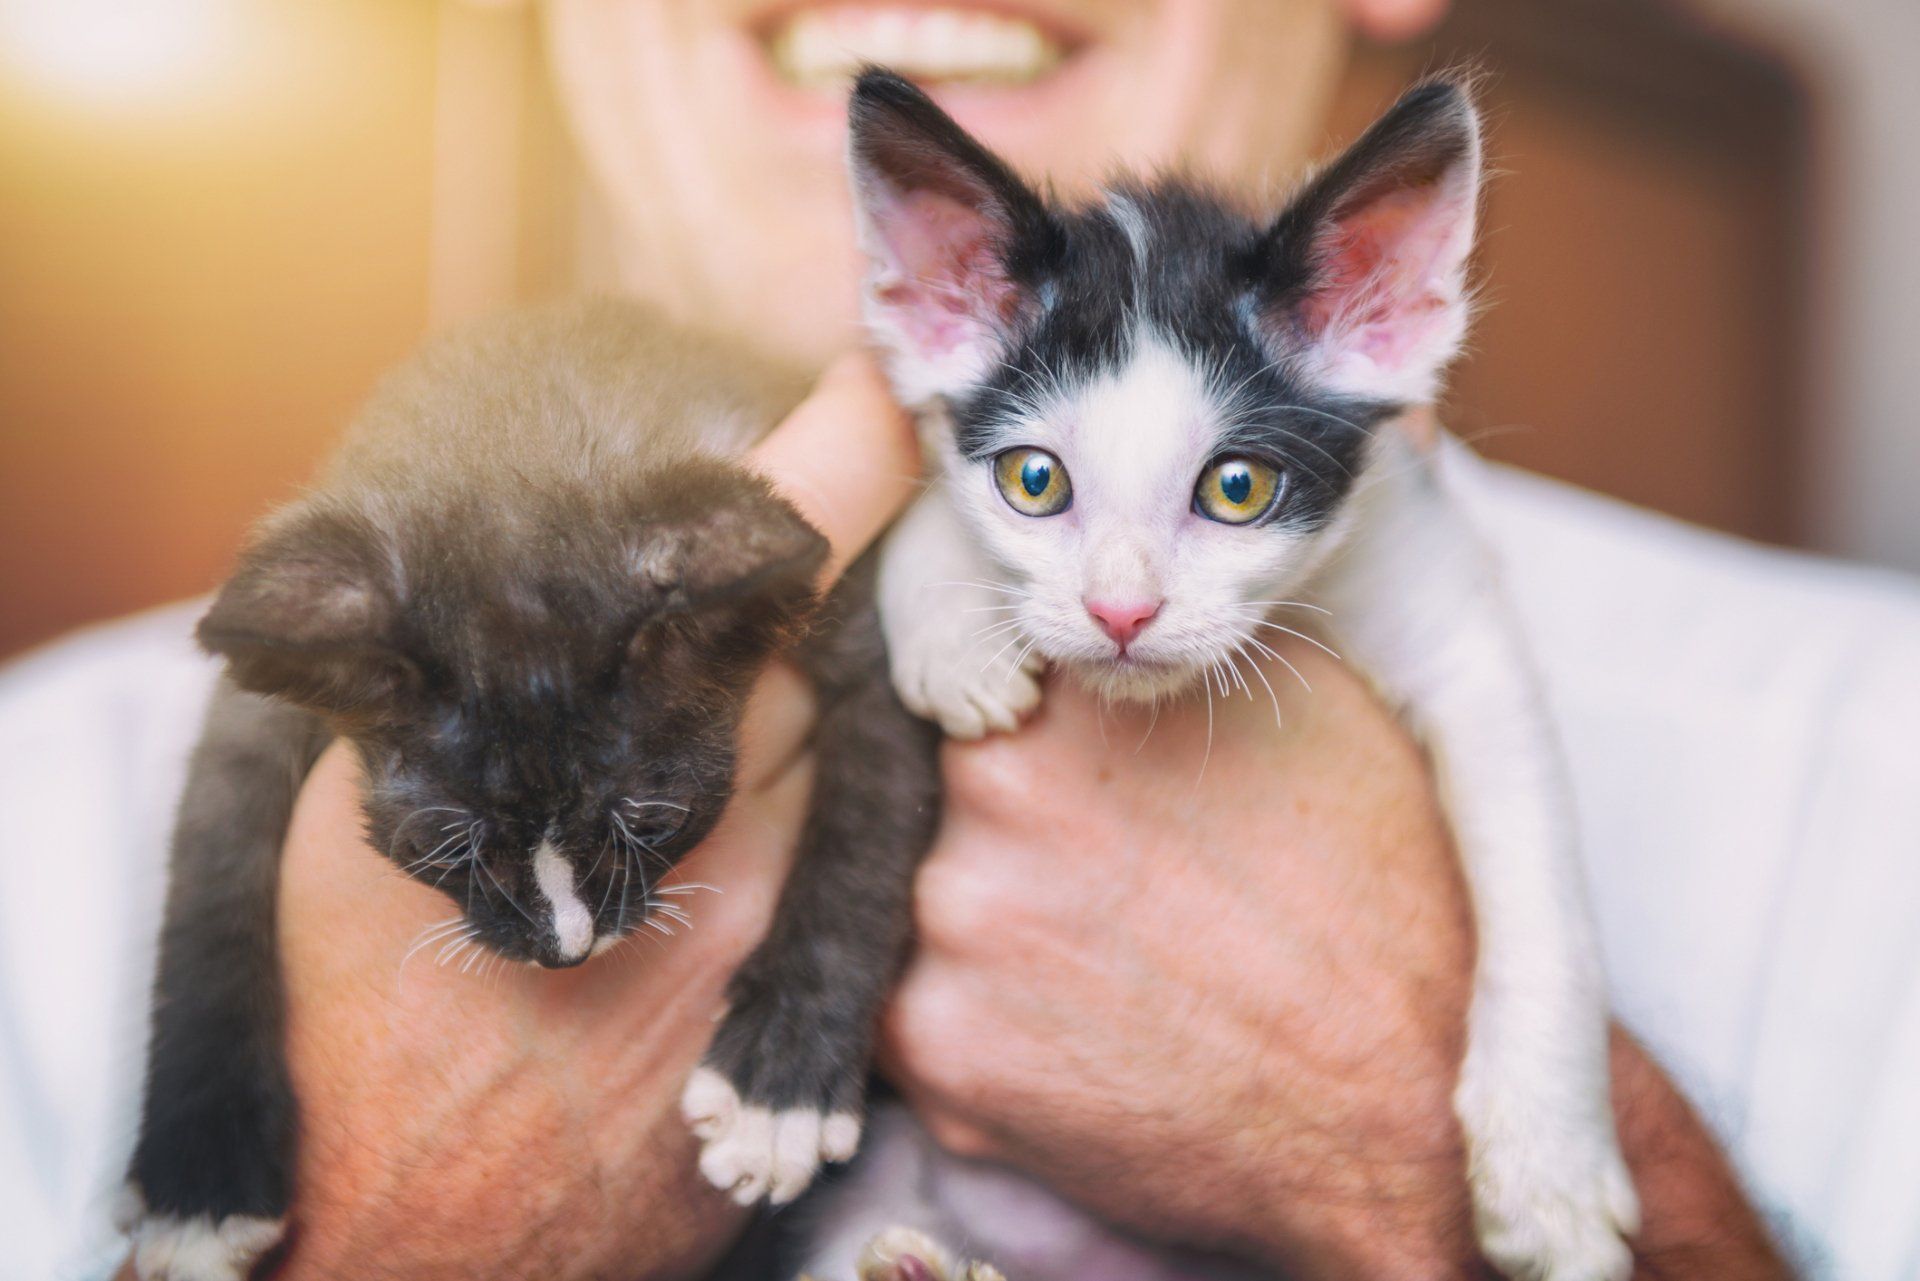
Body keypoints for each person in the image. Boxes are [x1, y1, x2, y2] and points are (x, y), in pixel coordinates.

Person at [3, 0, 1916, 1276]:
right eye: (1046, 493)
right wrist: (400, 1226)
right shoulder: (40, 807)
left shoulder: (1866, 757)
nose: (1123, 581)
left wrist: (1398, 1132)